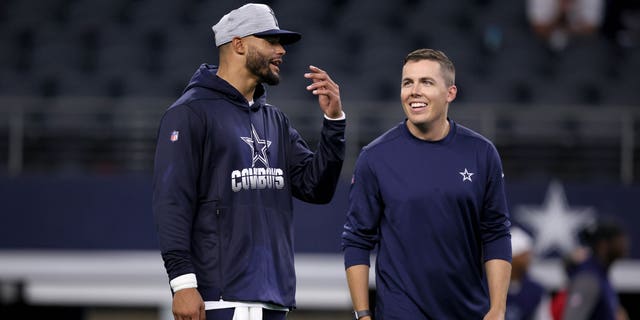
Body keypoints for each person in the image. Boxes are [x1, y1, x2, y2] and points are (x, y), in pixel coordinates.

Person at [152, 3, 346, 320]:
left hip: (273, 296)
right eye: (270, 41)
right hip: (220, 298)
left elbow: (317, 188)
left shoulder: (275, 120)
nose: (281, 50)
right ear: (238, 43)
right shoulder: (189, 113)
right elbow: (172, 203)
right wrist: (182, 283)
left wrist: (334, 121)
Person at [341, 48, 512, 320]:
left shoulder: (482, 153)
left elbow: (496, 233)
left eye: (426, 82)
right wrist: (362, 314)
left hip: (468, 310)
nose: (414, 91)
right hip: (401, 310)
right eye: (407, 82)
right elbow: (357, 240)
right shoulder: (374, 158)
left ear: (450, 93)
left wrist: (498, 309)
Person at [561, 219, 629, 320]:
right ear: (603, 245)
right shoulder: (588, 279)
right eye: (618, 240)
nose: (624, 245)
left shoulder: (601, 274)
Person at [506, 227, 552, 320]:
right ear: (512, 257)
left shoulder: (536, 290)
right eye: (524, 255)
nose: (528, 259)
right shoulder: (487, 287)